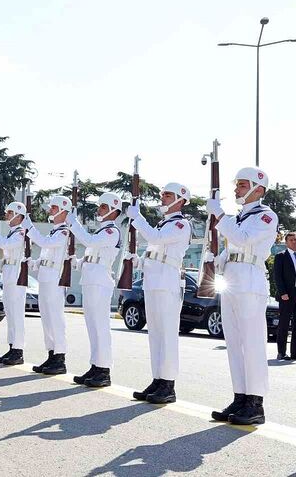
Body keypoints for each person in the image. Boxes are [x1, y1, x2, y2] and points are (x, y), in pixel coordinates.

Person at [207, 167, 278, 425]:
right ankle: (240, 397)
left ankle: (255, 402)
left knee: (252, 343)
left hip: (250, 281)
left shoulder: (266, 216)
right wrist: (215, 260)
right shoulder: (238, 217)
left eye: (241, 184)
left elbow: (243, 239)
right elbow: (232, 246)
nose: (236, 189)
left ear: (257, 189)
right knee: (234, 343)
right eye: (236, 184)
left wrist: (219, 214)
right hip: (232, 280)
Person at [125, 183, 192, 405]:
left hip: (167, 284)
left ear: (180, 200)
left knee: (167, 335)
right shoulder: (164, 224)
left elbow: (155, 238)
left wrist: (138, 218)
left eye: (168, 195)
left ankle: (168, 384)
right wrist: (139, 261)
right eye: (163, 194)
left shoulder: (181, 224)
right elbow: (155, 251)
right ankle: (157, 379)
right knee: (154, 334)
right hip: (153, 283)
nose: (162, 198)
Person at [66, 192, 123, 388]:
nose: (99, 210)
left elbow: (90, 242)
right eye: (99, 206)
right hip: (91, 280)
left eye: (103, 207)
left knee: (100, 327)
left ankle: (104, 370)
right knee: (92, 326)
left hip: (100, 282)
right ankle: (96, 366)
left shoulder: (111, 231)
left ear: (114, 211)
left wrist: (74, 224)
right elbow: (92, 255)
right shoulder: (101, 232)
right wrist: (78, 262)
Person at [26, 195, 72, 375]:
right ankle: (51, 354)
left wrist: (30, 227)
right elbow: (47, 251)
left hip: (55, 279)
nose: (49, 210)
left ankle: (60, 357)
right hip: (45, 277)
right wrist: (36, 263)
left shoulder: (63, 232)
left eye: (53, 208)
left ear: (63, 210)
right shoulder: (54, 231)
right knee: (46, 318)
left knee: (55, 318)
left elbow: (47, 244)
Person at [0, 202, 29, 366]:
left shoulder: (20, 233)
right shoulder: (12, 232)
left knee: (17, 315)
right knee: (10, 313)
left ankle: (18, 350)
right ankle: (12, 347)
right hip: (9, 273)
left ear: (19, 216)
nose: (6, 214)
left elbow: (5, 245)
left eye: (10, 212)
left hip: (17, 275)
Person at [273, 232, 296, 361]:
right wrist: (283, 293)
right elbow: (277, 277)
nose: (294, 242)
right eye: (291, 240)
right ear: (286, 242)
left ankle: (294, 353)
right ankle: (281, 352)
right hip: (286, 295)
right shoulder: (281, 256)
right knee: (284, 324)